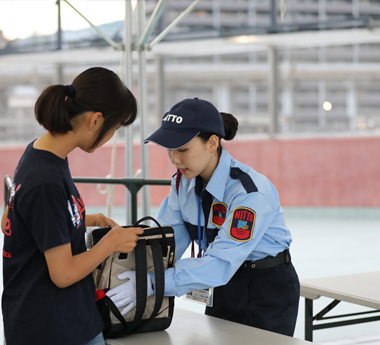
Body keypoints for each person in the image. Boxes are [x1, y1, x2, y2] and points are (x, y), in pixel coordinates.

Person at [107, 98, 300, 336]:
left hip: (265, 287)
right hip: (221, 284)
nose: (174, 159)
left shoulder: (249, 193)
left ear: (212, 143)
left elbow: (221, 263)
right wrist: (124, 273)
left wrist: (153, 284)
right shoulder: (182, 185)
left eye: (183, 149)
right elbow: (166, 245)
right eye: (169, 149)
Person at [1, 67, 144, 345]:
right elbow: (63, 274)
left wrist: (85, 218)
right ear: (95, 120)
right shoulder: (45, 180)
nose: (111, 135)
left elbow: (13, 217)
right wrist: (111, 243)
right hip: (51, 327)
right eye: (114, 128)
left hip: (65, 317)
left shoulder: (42, 152)